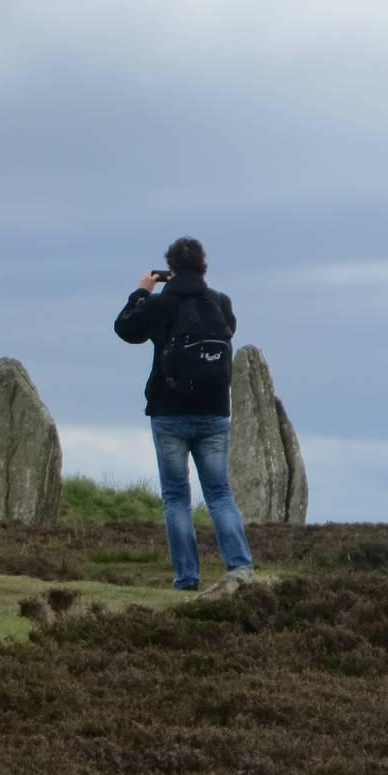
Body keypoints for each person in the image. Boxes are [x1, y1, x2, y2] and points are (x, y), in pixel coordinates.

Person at [113, 237, 255, 592]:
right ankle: (240, 567)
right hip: (214, 411)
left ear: (170, 269)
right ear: (203, 266)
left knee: (176, 497)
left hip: (169, 411)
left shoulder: (163, 304)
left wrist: (142, 291)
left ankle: (187, 578)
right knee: (220, 494)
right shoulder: (219, 302)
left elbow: (126, 329)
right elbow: (229, 330)